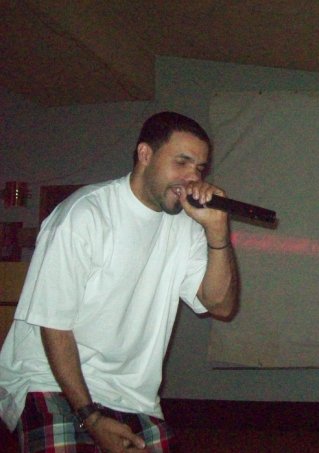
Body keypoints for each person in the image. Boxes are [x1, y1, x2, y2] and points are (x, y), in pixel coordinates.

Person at [0, 111, 239, 452]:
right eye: (182, 162)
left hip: (130, 394)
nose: (192, 178)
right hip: (47, 380)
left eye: (199, 168)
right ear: (145, 154)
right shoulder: (85, 214)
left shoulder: (185, 227)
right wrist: (90, 417)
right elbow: (53, 326)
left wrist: (217, 232)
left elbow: (221, 306)